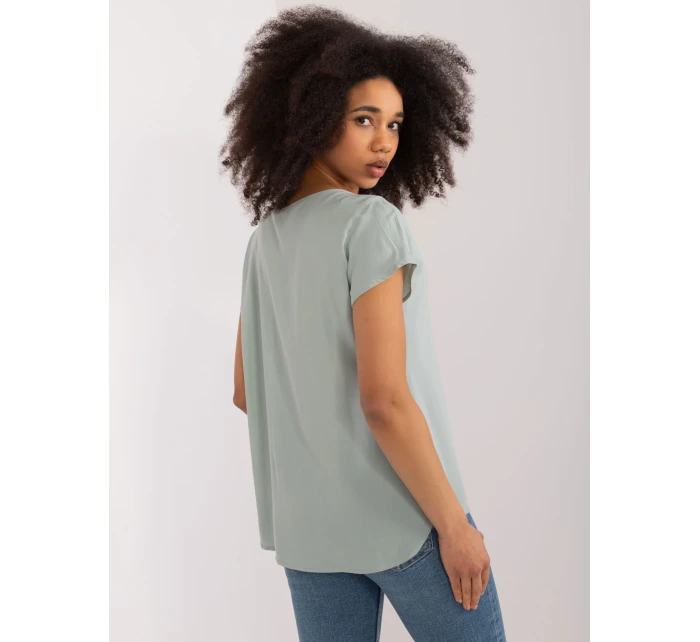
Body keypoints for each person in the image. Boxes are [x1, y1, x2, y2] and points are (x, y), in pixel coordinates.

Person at [222, 6, 507, 641]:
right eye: (363, 119)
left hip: (310, 531)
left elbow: (246, 392)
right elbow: (384, 400)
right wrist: (455, 527)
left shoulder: (265, 241)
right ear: (313, 116)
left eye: (395, 124)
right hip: (405, 518)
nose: (384, 142)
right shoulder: (370, 223)